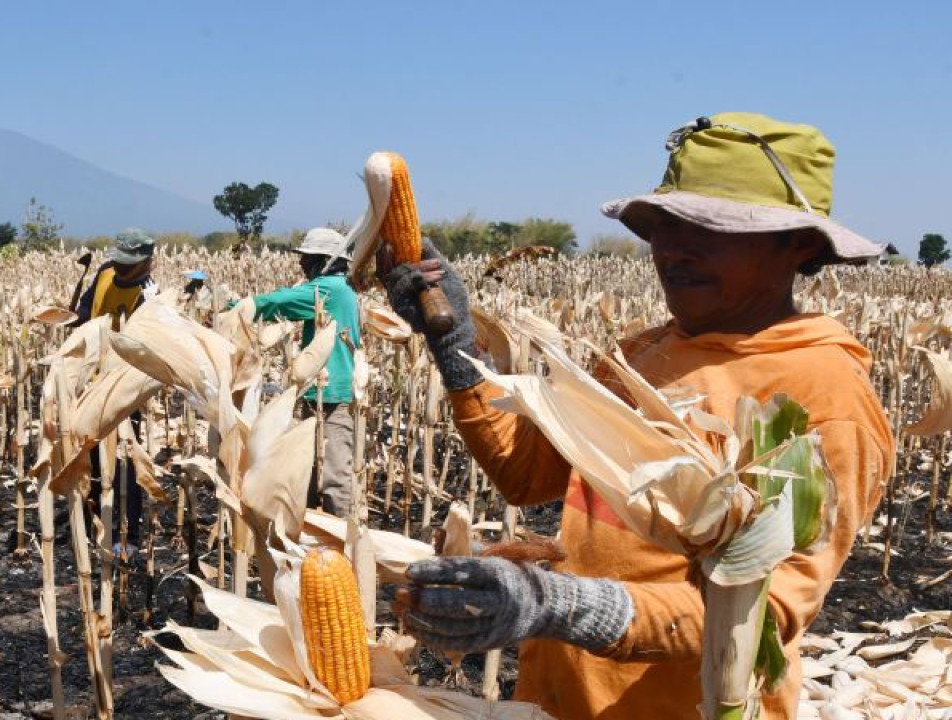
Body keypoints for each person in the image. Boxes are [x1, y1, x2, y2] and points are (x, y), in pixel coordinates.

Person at [377, 113, 896, 719]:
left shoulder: (822, 393)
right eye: (666, 225)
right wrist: (457, 342)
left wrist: (560, 605)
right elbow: (528, 473)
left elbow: (765, 614)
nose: (674, 248)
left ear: (801, 245)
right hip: (561, 698)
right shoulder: (644, 352)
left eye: (713, 228)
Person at [250, 228, 361, 517]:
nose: (302, 264)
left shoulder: (331, 288)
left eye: (308, 258)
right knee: (307, 474)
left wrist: (240, 308)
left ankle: (343, 548)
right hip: (320, 392)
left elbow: (281, 302)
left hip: (332, 393)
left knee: (335, 477)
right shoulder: (341, 287)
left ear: (325, 261)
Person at [71, 229, 160, 558]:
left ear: (147, 264)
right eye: (120, 263)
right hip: (92, 379)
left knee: (125, 457)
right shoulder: (105, 273)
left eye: (129, 265)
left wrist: (155, 310)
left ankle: (129, 534)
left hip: (125, 386)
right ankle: (97, 523)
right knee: (91, 454)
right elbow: (84, 313)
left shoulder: (150, 294)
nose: (121, 269)